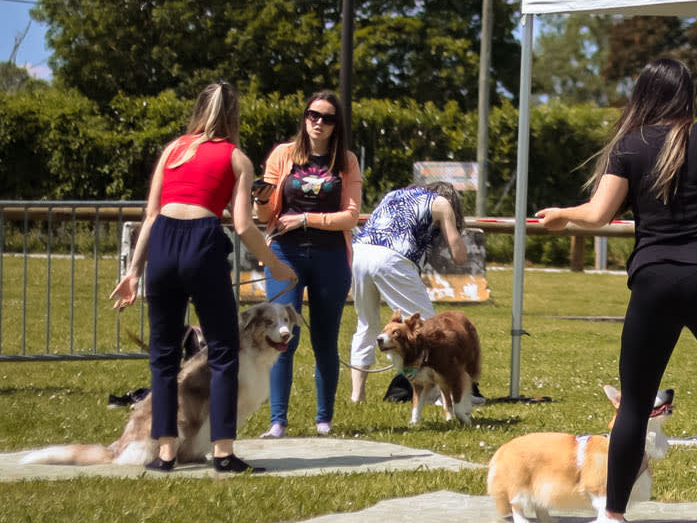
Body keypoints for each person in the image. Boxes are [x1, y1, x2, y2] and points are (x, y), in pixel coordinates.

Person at [536, 57, 697, 523]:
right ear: (687, 95)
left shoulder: (629, 145)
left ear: (645, 95)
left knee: (633, 401)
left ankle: (611, 518)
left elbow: (596, 215)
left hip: (653, 279)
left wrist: (560, 216)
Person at [110, 82, 298, 474]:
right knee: (225, 348)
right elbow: (244, 225)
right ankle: (224, 453)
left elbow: (150, 214)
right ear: (234, 116)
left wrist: (133, 273)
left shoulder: (172, 150)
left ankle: (164, 455)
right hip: (202, 244)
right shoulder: (237, 159)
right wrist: (275, 266)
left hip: (162, 244)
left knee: (163, 355)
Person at [255, 90, 362, 437]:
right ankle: (277, 422)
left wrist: (304, 219)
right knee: (282, 336)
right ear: (304, 117)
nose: (319, 122)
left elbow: (350, 217)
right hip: (285, 254)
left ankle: (323, 419)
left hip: (330, 256)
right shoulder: (283, 155)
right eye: (313, 115)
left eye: (327, 118)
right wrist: (259, 200)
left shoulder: (346, 161)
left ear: (336, 125)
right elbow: (266, 214)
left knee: (325, 341)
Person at [347, 181, 467, 405]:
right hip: (393, 259)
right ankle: (437, 395)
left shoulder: (394, 194)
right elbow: (458, 254)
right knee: (429, 327)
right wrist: (460, 246)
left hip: (359, 253)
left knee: (366, 324)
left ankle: (357, 395)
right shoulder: (442, 204)